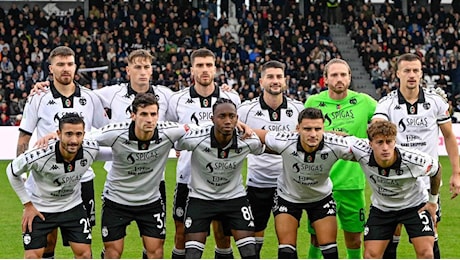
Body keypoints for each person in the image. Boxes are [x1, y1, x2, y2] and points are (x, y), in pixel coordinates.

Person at [17, 46, 109, 258]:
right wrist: (23, 174)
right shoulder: (38, 97)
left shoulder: (90, 97)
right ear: (51, 69)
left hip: (82, 178)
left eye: (69, 64)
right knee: (48, 240)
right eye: (60, 64)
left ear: (76, 67)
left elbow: (104, 132)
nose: (65, 69)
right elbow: (24, 136)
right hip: (47, 177)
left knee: (83, 242)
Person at [372, 53, 460, 258]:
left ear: (421, 73)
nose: (412, 75)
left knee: (430, 235)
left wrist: (456, 172)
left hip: (428, 181)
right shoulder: (387, 104)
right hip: (397, 180)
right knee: (392, 233)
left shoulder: (435, 102)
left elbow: (449, 136)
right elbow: (377, 127)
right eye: (407, 71)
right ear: (397, 74)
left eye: (416, 71)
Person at [87, 93, 191, 259]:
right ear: (133, 115)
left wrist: (239, 125)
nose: (149, 119)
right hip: (116, 200)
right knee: (113, 253)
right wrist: (53, 137)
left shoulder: (169, 131)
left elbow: (203, 129)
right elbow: (80, 138)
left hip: (150, 202)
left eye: (153, 114)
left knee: (156, 253)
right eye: (143, 114)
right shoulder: (115, 132)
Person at [166, 48, 241, 259]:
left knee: (222, 235)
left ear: (215, 69)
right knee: (181, 234)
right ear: (192, 70)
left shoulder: (231, 97)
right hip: (187, 177)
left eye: (209, 65)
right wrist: (178, 148)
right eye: (199, 65)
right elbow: (170, 131)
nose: (204, 70)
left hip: (222, 179)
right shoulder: (177, 99)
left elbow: (239, 129)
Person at [254, 107, 354, 259]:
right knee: (286, 252)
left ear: (324, 129)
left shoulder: (335, 144)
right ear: (297, 128)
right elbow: (257, 134)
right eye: (307, 129)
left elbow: (365, 145)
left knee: (330, 252)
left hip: (321, 199)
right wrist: (240, 127)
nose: (313, 134)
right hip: (288, 198)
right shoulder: (285, 140)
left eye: (317, 129)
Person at [304, 58, 377, 258]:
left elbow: (387, 116)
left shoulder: (364, 102)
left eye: (343, 74)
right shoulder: (313, 102)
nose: (339, 79)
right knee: (317, 238)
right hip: (321, 184)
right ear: (325, 79)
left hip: (353, 184)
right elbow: (300, 133)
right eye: (334, 75)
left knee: (354, 238)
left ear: (349, 77)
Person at [7, 113, 104, 259]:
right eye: (69, 134)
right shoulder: (40, 154)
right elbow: (11, 171)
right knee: (32, 256)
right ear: (58, 134)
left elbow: (114, 151)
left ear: (84, 134)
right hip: (40, 208)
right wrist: (27, 204)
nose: (74, 140)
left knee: (85, 254)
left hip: (72, 206)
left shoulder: (91, 149)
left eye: (78, 134)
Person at [176, 98, 263, 259]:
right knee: (192, 255)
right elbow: (176, 142)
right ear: (212, 119)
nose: (228, 121)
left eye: (232, 116)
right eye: (222, 116)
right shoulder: (196, 138)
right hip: (200, 199)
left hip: (234, 199)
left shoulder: (248, 141)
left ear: (238, 119)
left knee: (250, 253)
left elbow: (261, 148)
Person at [237, 60, 304, 257]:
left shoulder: (298, 109)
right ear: (261, 81)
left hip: (288, 186)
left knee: (288, 241)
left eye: (278, 77)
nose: (275, 81)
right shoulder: (245, 110)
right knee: (254, 240)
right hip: (258, 183)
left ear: (285, 81)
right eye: (270, 77)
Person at [349, 120, 441, 259]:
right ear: (370, 144)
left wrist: (433, 201)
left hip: (414, 206)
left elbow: (437, 170)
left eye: (389, 141)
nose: (385, 147)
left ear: (395, 141)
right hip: (382, 209)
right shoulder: (361, 150)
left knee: (426, 254)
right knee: (370, 255)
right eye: (380, 142)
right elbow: (340, 138)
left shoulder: (414, 159)